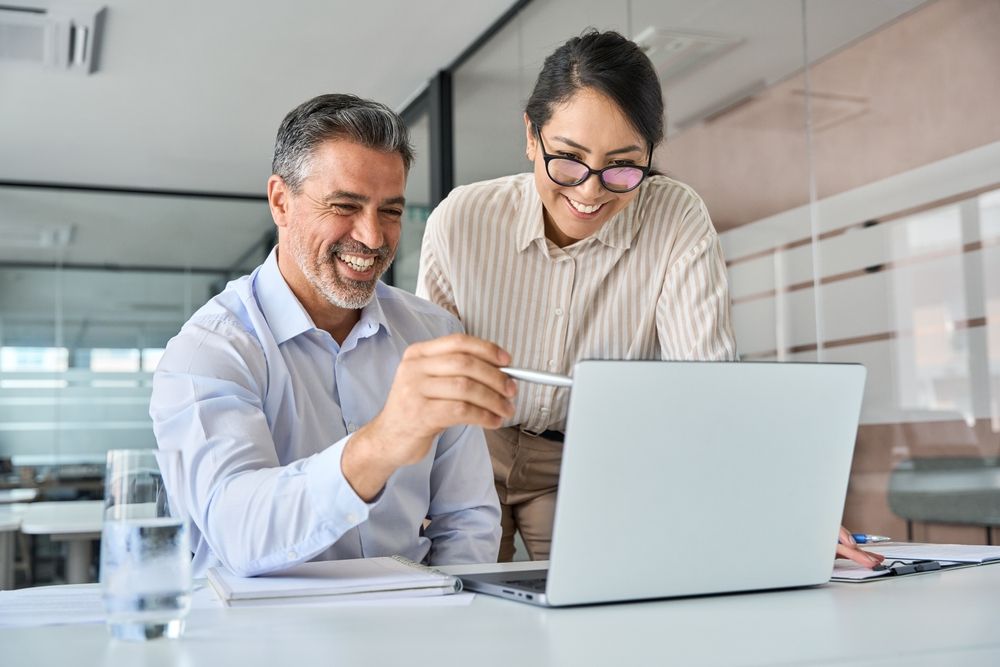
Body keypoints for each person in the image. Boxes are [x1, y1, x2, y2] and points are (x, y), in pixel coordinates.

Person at [417, 30, 883, 570]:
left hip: (585, 457)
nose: (590, 192)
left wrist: (782, 505)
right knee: (464, 612)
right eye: (567, 159)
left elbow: (706, 381)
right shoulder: (461, 219)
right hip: (471, 453)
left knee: (597, 615)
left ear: (650, 153)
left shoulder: (675, 217)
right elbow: (434, 377)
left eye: (622, 166)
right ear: (530, 134)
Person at [150, 93, 515, 577]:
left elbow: (467, 520)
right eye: (345, 205)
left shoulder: (433, 333)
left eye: (390, 211)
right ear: (281, 201)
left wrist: (445, 617)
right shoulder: (209, 351)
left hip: (410, 628)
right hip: (262, 638)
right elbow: (237, 530)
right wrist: (382, 443)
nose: (373, 237)